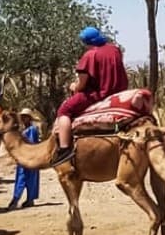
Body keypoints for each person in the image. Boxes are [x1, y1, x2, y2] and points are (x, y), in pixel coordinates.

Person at [49, 27, 128, 167]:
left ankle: (64, 149)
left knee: (64, 111)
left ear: (86, 42)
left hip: (99, 94)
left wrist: (74, 86)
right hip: (118, 92)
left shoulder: (90, 55)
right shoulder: (115, 50)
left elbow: (82, 84)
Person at [8, 109, 40, 210]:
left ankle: (18, 199)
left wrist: (22, 137)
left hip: (29, 157)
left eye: (25, 117)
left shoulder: (32, 129)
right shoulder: (23, 130)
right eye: (22, 117)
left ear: (29, 118)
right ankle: (21, 199)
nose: (23, 119)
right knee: (22, 177)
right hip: (22, 156)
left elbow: (32, 143)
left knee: (26, 178)